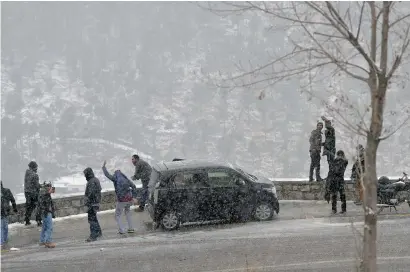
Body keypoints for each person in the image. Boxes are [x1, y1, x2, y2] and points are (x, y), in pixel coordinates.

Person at [102, 160, 138, 234]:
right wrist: (134, 197)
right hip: (129, 199)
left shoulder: (115, 178)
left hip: (122, 200)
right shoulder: (126, 179)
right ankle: (131, 228)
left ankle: (122, 230)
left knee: (117, 215)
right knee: (127, 213)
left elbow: (107, 175)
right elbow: (134, 186)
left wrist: (103, 167)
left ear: (115, 174)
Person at [83, 167, 102, 242]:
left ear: (88, 173)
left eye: (85, 174)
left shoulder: (91, 181)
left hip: (92, 203)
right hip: (95, 202)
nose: (85, 176)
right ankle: (98, 232)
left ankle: (93, 235)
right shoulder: (95, 179)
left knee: (91, 220)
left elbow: (90, 194)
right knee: (94, 218)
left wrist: (87, 202)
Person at [38, 181, 56, 248]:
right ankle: (48, 242)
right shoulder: (44, 193)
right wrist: (48, 192)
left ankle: (42, 240)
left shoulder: (42, 192)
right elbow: (44, 203)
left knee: (44, 227)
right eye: (50, 187)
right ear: (47, 187)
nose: (51, 188)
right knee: (49, 227)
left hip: (44, 213)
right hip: (46, 212)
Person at [24, 161, 42, 226]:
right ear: (33, 167)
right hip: (34, 193)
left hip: (27, 192)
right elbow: (36, 185)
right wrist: (42, 186)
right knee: (37, 206)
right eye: (36, 167)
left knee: (29, 207)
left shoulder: (27, 173)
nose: (37, 169)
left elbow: (30, 183)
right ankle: (39, 221)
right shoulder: (35, 175)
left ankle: (27, 220)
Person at [1, 181, 18, 250]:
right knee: (4, 227)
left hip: (3, 211)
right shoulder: (7, 190)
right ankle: (4, 241)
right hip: (5, 211)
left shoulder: (6, 191)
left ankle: (2, 243)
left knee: (2, 227)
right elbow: (12, 200)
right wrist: (15, 208)